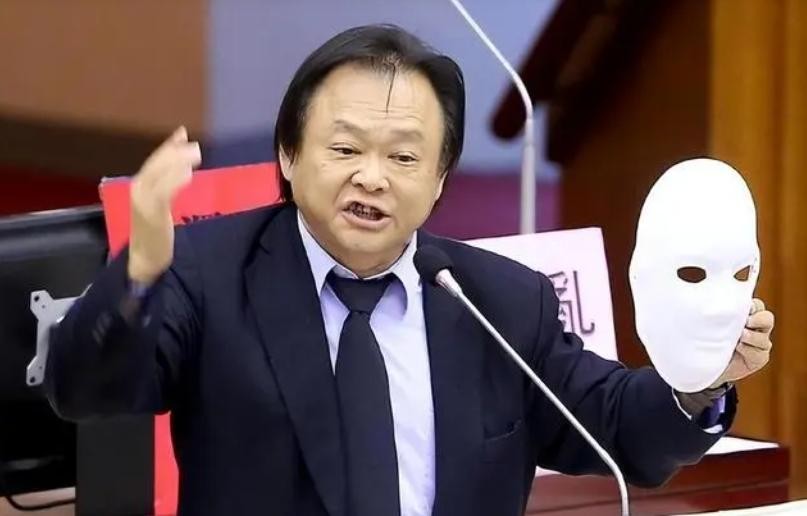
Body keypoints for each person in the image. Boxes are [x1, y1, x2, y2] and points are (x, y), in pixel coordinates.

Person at [45, 24, 774, 516]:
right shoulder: (208, 272)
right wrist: (137, 275)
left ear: (440, 178)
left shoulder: (498, 300)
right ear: (288, 156)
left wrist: (698, 380)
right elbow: (86, 389)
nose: (372, 177)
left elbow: (618, 427)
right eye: (344, 149)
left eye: (403, 157)